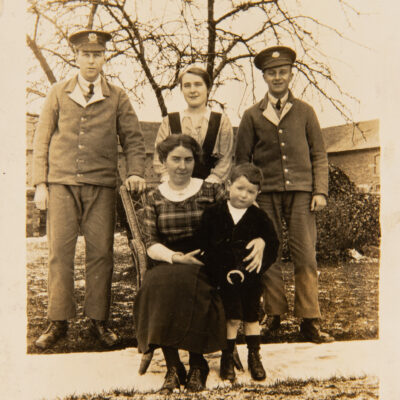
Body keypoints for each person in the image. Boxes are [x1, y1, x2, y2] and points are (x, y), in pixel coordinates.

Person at [32, 30, 146, 350]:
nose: (92, 60)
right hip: (62, 184)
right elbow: (41, 140)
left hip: (102, 186)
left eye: (97, 54)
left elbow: (134, 139)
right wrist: (40, 183)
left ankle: (99, 320)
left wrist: (136, 171)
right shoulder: (57, 93)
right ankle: (58, 321)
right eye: (86, 54)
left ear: (104, 57)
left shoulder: (118, 96)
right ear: (76, 57)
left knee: (101, 255)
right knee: (59, 255)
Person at [133, 135, 265, 394]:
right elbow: (150, 241)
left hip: (209, 257)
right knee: (156, 285)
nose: (182, 166)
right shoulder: (154, 196)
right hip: (168, 258)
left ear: (196, 162)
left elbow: (246, 211)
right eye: (175, 159)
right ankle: (173, 367)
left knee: (194, 284)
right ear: (163, 162)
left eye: (188, 160)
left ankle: (197, 364)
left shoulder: (210, 190)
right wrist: (174, 257)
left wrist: (260, 238)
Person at [235, 46, 334, 343]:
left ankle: (309, 320)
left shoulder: (305, 111)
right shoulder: (252, 115)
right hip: (265, 197)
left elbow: (319, 154)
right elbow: (242, 160)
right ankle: (274, 316)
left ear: (291, 74)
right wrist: (248, 195)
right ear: (264, 77)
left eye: (282, 72)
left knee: (306, 255)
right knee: (268, 254)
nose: (277, 77)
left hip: (303, 194)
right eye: (271, 73)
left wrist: (320, 191)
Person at [198, 163, 279, 382]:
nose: (244, 195)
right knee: (231, 318)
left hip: (250, 278)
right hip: (223, 278)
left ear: (258, 194)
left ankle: (254, 355)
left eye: (251, 191)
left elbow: (273, 244)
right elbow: (205, 246)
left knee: (252, 316)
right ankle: (227, 356)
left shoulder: (259, 217)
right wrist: (219, 271)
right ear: (228, 185)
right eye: (240, 188)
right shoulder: (213, 214)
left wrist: (261, 249)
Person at [153, 65, 234, 183]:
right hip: (176, 187)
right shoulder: (169, 121)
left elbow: (225, 160)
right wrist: (169, 180)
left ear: (208, 88)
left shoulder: (221, 121)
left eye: (198, 84)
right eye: (187, 85)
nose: (192, 90)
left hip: (210, 189)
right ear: (181, 90)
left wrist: (212, 181)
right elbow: (159, 158)